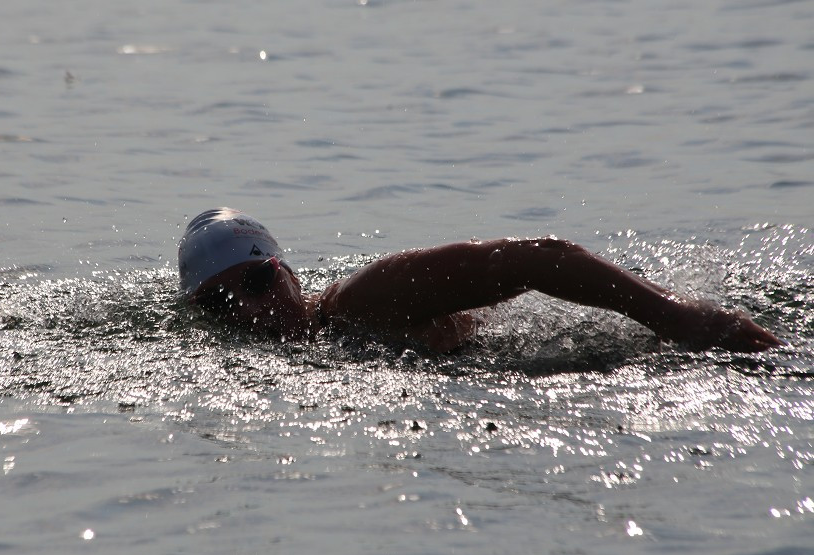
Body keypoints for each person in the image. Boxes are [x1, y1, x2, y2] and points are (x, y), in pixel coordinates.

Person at [178, 208, 782, 353]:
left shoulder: (362, 301)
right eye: (219, 305)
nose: (250, 312)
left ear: (286, 271)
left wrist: (675, 317)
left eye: (257, 281)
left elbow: (539, 257)